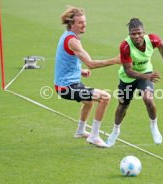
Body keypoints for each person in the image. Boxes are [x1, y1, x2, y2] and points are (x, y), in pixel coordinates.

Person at [54, 6, 119, 148]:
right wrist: (114, 61)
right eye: (80, 22)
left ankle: (80, 131)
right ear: (72, 24)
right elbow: (91, 63)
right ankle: (94, 136)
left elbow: (65, 59)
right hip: (66, 88)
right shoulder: (73, 41)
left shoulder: (69, 36)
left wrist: (80, 71)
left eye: (85, 21)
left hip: (68, 83)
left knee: (89, 102)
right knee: (105, 97)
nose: (84, 24)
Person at [106, 18, 163, 146]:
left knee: (148, 99)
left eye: (139, 33)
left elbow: (161, 46)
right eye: (133, 34)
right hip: (128, 78)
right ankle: (115, 131)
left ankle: (154, 126)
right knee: (123, 106)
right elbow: (128, 71)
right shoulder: (125, 46)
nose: (137, 36)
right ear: (129, 34)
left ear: (144, 32)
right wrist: (147, 76)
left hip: (146, 72)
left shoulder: (152, 39)